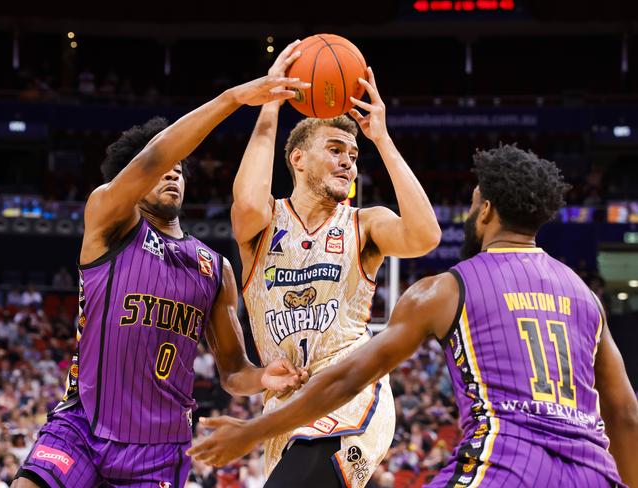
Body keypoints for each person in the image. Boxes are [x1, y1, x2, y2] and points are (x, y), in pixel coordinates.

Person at [190, 145, 638, 487]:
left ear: (484, 210)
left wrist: (253, 430)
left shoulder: (445, 288)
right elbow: (625, 414)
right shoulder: (585, 296)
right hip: (594, 472)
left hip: (503, 466)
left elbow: (348, 380)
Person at [11, 71, 311, 488]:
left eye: (180, 171)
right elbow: (152, 157)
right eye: (162, 170)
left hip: (159, 447)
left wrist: (261, 377)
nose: (171, 174)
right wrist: (232, 98)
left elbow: (232, 370)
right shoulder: (109, 221)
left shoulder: (214, 267)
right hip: (82, 424)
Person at [190, 40, 442, 487]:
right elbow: (246, 200)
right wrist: (269, 106)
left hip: (351, 395)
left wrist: (380, 138)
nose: (348, 161)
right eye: (335, 149)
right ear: (298, 159)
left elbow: (425, 236)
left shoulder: (365, 223)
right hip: (284, 412)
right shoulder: (263, 222)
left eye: (352, 155)